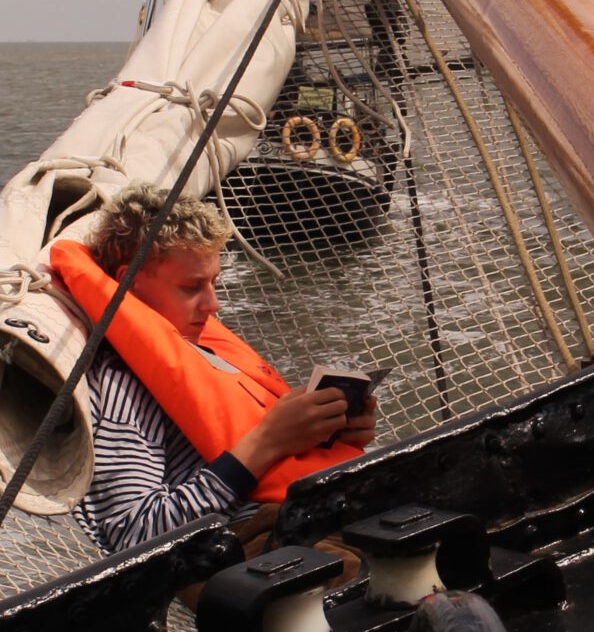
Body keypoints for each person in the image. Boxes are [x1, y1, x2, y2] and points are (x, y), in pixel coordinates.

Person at [48, 183, 376, 555]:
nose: (214, 304)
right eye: (191, 287)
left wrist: (334, 435)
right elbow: (133, 535)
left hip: (330, 512)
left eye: (214, 282)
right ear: (130, 282)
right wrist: (265, 444)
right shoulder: (122, 388)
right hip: (270, 553)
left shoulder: (206, 350)